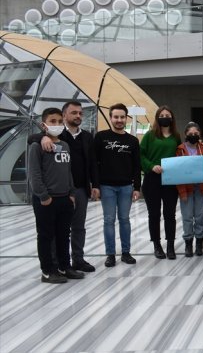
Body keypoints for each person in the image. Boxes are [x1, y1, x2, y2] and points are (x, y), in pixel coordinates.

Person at [28, 100, 97, 272]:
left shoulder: (86, 137)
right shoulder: (53, 136)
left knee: (76, 227)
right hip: (54, 192)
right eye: (74, 113)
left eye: (80, 113)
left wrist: (94, 184)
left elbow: (92, 163)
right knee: (52, 232)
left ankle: (77, 260)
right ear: (65, 115)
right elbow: (32, 139)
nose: (78, 116)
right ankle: (54, 265)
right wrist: (42, 136)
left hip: (77, 189)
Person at [28, 108, 80, 283]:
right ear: (44, 124)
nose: (57, 124)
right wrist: (43, 196)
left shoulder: (64, 145)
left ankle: (64, 266)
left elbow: (68, 171)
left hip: (65, 198)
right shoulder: (37, 146)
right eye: (52, 121)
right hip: (46, 200)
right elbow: (34, 174)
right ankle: (48, 271)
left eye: (59, 121)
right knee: (46, 236)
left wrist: (71, 193)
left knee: (64, 235)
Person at [93, 103, 141, 267]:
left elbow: (137, 166)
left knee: (125, 219)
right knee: (108, 220)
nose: (119, 120)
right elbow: (94, 163)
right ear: (111, 118)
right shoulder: (101, 137)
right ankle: (110, 254)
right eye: (116, 117)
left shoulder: (132, 141)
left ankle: (126, 253)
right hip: (106, 186)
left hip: (126, 186)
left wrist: (137, 187)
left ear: (126, 118)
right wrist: (95, 185)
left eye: (122, 117)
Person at [140, 106, 182, 259]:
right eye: (162, 115)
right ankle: (157, 245)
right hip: (152, 178)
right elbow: (140, 155)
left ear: (172, 118)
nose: (165, 117)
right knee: (154, 214)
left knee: (170, 214)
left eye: (167, 115)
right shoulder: (150, 135)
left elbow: (180, 154)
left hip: (170, 179)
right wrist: (151, 166)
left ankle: (170, 245)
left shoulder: (176, 136)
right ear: (157, 118)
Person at [176, 122, 203, 257]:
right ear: (186, 135)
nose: (193, 135)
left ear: (199, 134)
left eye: (196, 133)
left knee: (200, 216)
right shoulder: (180, 149)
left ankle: (199, 242)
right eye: (191, 134)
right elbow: (177, 171)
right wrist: (181, 191)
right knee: (187, 217)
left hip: (200, 187)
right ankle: (188, 243)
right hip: (186, 187)